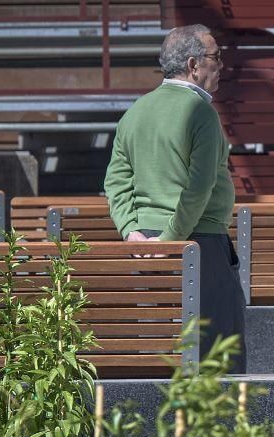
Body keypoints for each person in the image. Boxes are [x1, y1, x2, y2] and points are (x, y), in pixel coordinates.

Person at [103, 24, 243, 365]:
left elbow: (116, 181)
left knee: (162, 356)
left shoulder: (135, 112)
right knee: (218, 359)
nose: (222, 65)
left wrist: (130, 230)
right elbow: (198, 188)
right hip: (199, 245)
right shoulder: (201, 113)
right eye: (216, 57)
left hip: (145, 246)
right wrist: (172, 239)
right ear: (194, 66)